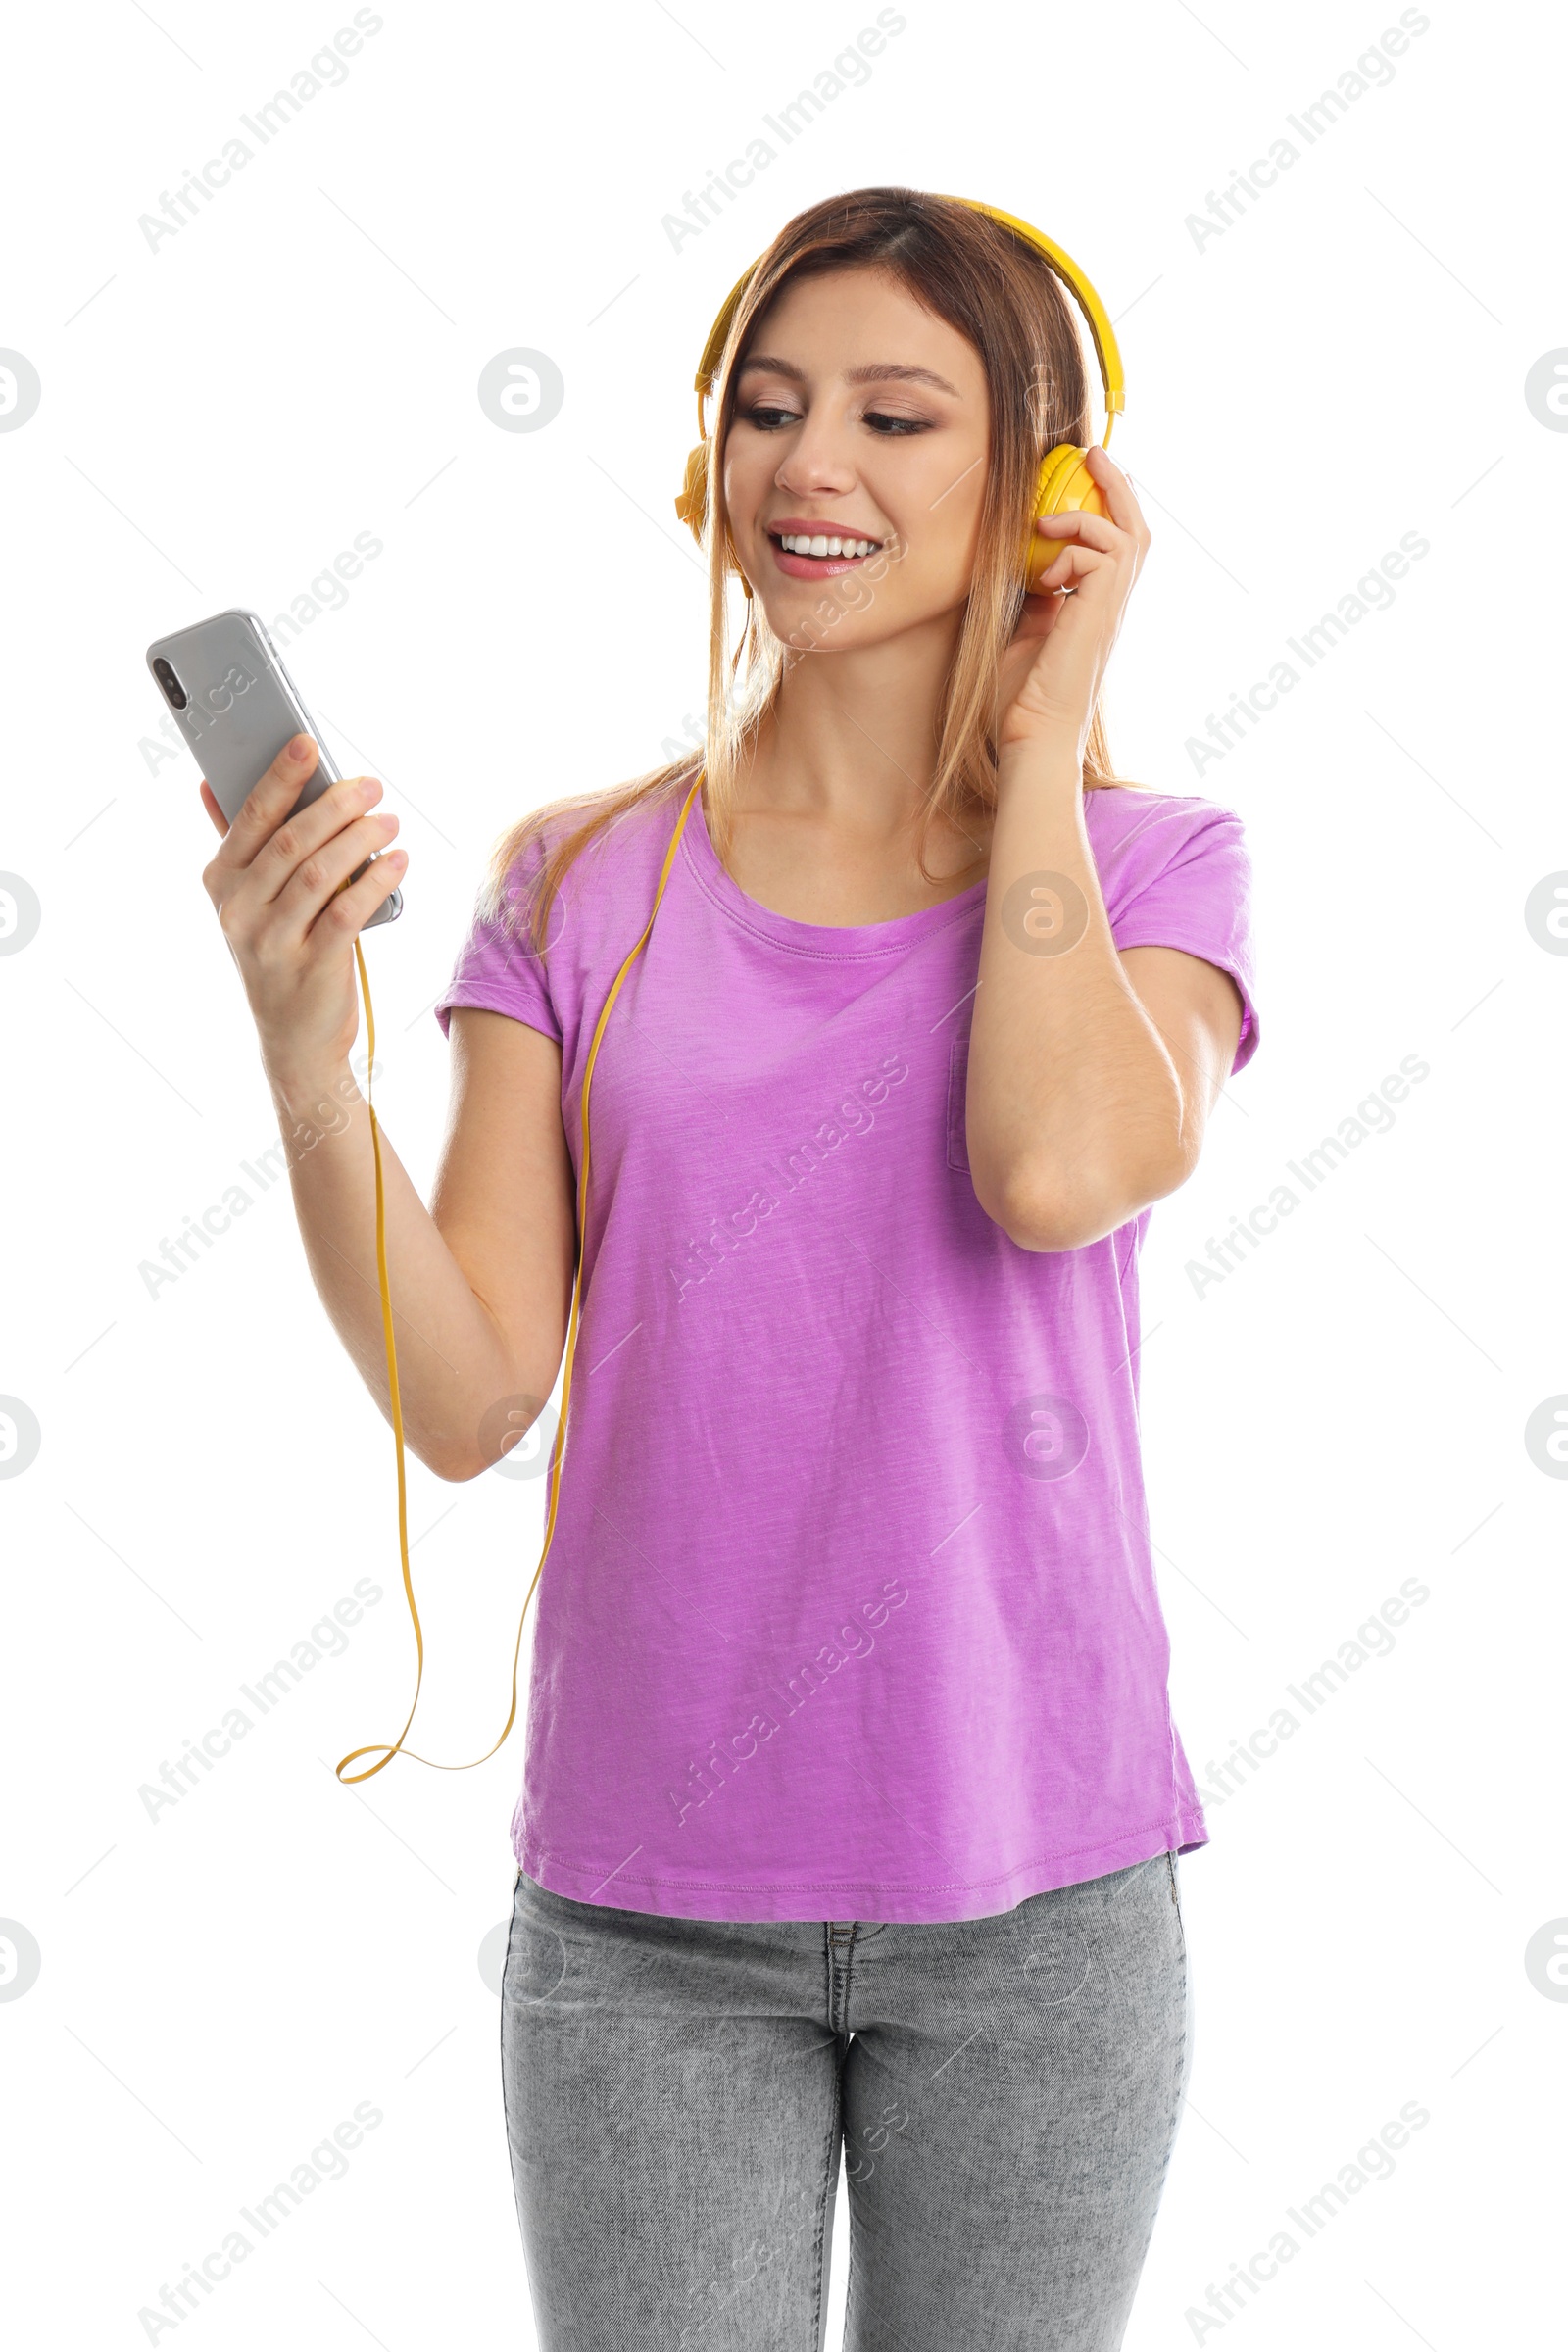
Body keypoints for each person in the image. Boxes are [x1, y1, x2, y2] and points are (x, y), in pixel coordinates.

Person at [199, 186, 1260, 2351]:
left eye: (896, 416)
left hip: (1034, 1890)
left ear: (1041, 484)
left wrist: (1039, 736)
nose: (810, 468)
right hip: (646, 1911)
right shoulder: (575, 882)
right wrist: (310, 1062)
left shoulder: (1156, 870)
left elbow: (1055, 1166)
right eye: (769, 411)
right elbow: (473, 1389)